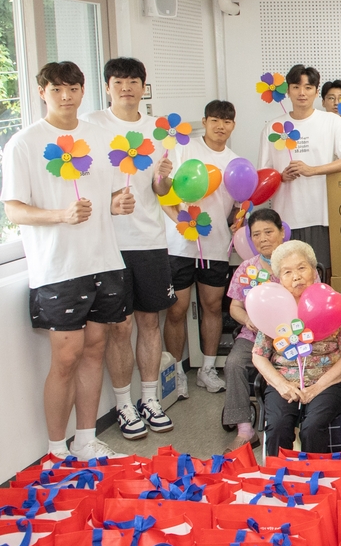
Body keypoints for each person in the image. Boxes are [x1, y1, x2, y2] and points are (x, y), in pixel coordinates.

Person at [2, 61, 136, 460]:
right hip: (58, 267)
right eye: (57, 89)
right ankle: (56, 449)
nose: (66, 96)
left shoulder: (98, 137)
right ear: (42, 92)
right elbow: (13, 211)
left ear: (83, 91)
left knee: (95, 349)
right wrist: (60, 215)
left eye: (73, 88)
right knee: (65, 357)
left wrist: (119, 203)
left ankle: (86, 438)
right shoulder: (24, 143)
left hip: (103, 260)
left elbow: (108, 197)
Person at [81, 57, 176, 439]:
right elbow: (81, 183)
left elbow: (160, 191)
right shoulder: (90, 126)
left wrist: (164, 181)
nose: (126, 87)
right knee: (118, 328)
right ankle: (123, 404)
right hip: (107, 243)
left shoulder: (158, 131)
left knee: (149, 322)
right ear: (107, 87)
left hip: (149, 240)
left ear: (143, 86)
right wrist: (106, 205)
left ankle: (149, 399)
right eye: (119, 81)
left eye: (134, 81)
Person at [163, 100, 240, 394]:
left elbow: (233, 205)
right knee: (176, 310)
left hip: (216, 245)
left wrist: (239, 219)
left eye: (227, 122)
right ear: (205, 121)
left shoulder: (234, 161)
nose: (221, 126)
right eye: (215, 120)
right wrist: (179, 220)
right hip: (179, 244)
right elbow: (164, 190)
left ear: (233, 126)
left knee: (211, 306)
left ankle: (207, 369)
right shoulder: (184, 149)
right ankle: (177, 372)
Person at [253, 240, 341, 455]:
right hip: (286, 380)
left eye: (302, 268)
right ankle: (277, 478)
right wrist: (282, 385)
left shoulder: (332, 303)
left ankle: (314, 479)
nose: (296, 276)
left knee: (312, 427)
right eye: (287, 272)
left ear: (314, 270)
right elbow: (259, 356)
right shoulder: (274, 306)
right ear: (279, 279)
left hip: (329, 382)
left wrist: (317, 388)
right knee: (278, 425)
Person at [257, 64, 341, 276]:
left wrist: (313, 170)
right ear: (288, 91)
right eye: (296, 87)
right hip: (285, 218)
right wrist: (280, 177)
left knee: (322, 275)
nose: (302, 93)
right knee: (288, 278)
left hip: (322, 215)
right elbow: (263, 176)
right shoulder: (272, 127)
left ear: (316, 91)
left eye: (308, 87)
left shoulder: (331, 121)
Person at [223, 208, 285, 448]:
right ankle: (245, 428)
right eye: (256, 234)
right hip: (254, 334)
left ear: (281, 232)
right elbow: (235, 307)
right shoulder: (247, 269)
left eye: (268, 232)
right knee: (234, 363)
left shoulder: (297, 263)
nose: (263, 239)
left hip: (289, 336)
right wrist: (247, 320)